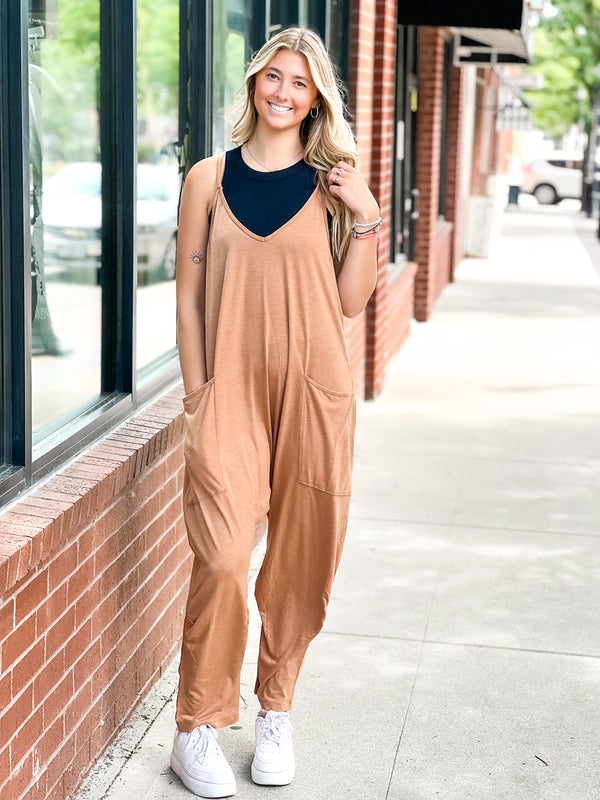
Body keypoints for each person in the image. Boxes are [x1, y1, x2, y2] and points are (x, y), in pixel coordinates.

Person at [171, 26, 380, 798]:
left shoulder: (332, 184)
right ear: (254, 82)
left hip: (315, 393)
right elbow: (188, 297)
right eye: (273, 76)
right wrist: (199, 394)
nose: (284, 92)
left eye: (300, 83)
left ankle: (276, 709)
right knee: (224, 558)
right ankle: (196, 726)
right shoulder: (208, 178)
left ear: (315, 98)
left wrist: (366, 215)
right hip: (227, 393)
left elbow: (350, 302)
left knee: (301, 557)